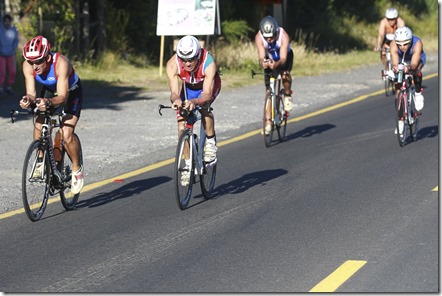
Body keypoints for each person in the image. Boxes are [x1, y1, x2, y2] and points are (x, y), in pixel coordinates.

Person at [19, 35, 84, 194]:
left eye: (38, 61)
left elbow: (62, 97)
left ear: (47, 57)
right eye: (31, 61)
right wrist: (28, 99)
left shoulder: (61, 63)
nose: (34, 66)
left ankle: (77, 169)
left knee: (66, 133)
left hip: (70, 92)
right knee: (39, 120)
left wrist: (48, 103)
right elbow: (32, 93)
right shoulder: (27, 65)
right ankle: (40, 159)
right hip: (49, 91)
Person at [166, 35, 221, 185]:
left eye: (191, 59)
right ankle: (188, 165)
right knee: (181, 123)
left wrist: (194, 101)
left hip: (207, 88)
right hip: (189, 89)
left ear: (198, 55)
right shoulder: (172, 64)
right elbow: (174, 92)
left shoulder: (208, 63)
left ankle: (210, 142)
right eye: (184, 60)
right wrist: (177, 100)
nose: (188, 63)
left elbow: (207, 94)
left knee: (204, 107)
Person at [254, 15, 294, 135]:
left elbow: (282, 59)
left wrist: (276, 65)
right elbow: (261, 56)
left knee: (285, 75)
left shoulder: (283, 36)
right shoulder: (259, 38)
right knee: (268, 92)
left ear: (276, 32)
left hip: (283, 58)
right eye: (267, 37)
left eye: (272, 36)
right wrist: (263, 63)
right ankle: (268, 123)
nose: (270, 39)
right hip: (270, 58)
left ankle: (287, 94)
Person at [390, 26, 426, 135]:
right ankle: (400, 120)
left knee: (416, 72)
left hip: (415, 59)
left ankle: (418, 93)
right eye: (399, 44)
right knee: (398, 90)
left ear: (410, 41)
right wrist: (396, 68)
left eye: (405, 44)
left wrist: (409, 68)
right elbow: (395, 62)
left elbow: (414, 64)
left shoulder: (417, 43)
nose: (402, 47)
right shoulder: (393, 45)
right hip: (401, 60)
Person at [0, 14, 19, 95]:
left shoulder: (13, 30)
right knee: (2, 72)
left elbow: (16, 40)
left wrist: (13, 48)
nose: (7, 23)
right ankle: (0, 87)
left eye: (8, 21)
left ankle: (9, 87)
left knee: (12, 71)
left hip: (11, 53)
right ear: (3, 22)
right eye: (5, 21)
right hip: (1, 54)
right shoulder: (0, 30)